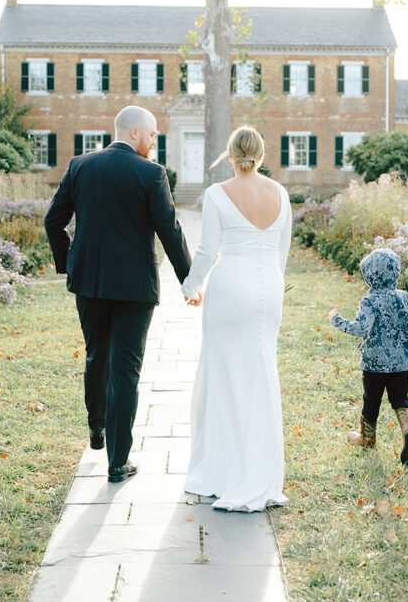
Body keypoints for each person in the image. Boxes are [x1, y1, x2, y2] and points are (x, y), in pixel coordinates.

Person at [44, 106, 194, 483]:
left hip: (89, 284)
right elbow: (170, 231)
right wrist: (189, 281)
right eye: (152, 134)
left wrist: (69, 262)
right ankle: (118, 462)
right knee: (125, 370)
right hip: (134, 288)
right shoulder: (151, 174)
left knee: (97, 355)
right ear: (133, 133)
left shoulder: (80, 166)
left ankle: (97, 428)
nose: (154, 141)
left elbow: (53, 221)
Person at [181, 126, 292, 511]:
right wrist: (273, 288)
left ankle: (221, 470)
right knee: (261, 374)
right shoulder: (280, 193)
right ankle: (258, 469)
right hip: (268, 290)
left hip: (229, 289)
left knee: (222, 376)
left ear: (231, 156)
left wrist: (191, 285)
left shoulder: (217, 194)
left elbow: (208, 248)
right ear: (261, 155)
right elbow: (282, 251)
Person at [328, 247, 408, 466]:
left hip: (374, 366)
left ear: (370, 275)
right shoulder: (404, 298)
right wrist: (404, 346)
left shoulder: (369, 301)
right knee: (401, 399)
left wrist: (336, 319)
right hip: (401, 364)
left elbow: (361, 329)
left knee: (371, 402)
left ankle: (367, 438)